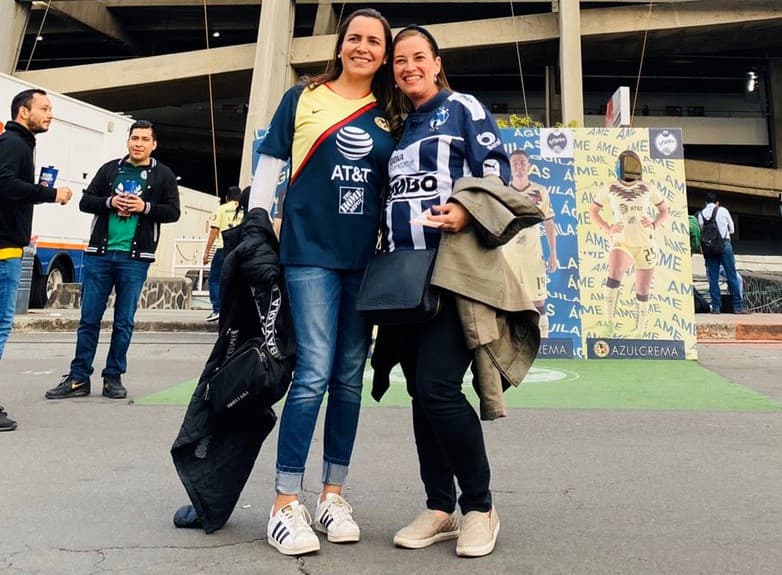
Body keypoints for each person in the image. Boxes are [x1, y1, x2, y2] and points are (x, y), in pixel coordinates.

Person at [247, 8, 395, 555]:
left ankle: (333, 494)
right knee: (311, 373)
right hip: (307, 254)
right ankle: (286, 501)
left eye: (373, 41)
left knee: (349, 379)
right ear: (340, 44)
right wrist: (256, 229)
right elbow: (268, 163)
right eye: (354, 37)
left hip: (368, 261)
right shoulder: (302, 97)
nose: (363, 47)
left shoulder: (392, 111)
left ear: (384, 52)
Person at [378, 24, 512, 558]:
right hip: (400, 282)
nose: (408, 66)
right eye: (400, 60)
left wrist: (464, 209)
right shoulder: (399, 126)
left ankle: (479, 507)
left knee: (437, 388)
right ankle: (439, 508)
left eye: (418, 57)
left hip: (452, 276)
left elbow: (498, 174)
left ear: (436, 62)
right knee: (419, 394)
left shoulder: (464, 108)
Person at [45, 120, 180, 401]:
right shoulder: (110, 169)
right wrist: (109, 202)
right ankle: (78, 377)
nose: (138, 143)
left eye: (144, 139)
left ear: (154, 144)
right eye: (134, 138)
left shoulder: (163, 175)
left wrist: (146, 207)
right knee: (89, 319)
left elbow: (173, 212)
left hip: (135, 258)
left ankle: (113, 377)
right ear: (128, 141)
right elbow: (85, 201)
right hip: (100, 255)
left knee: (123, 321)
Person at [0, 89, 73, 431]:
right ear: (22, 111)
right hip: (4, 253)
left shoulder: (17, 143)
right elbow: (5, 185)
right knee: (0, 328)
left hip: (8, 248)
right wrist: (50, 193)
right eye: (44, 108)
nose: (50, 114)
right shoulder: (14, 144)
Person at [588, 150, 669, 336]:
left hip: (645, 242)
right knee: (614, 272)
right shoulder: (610, 187)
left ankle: (640, 330)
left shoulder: (648, 187)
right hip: (622, 240)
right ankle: (609, 322)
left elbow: (664, 210)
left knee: (642, 288)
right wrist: (607, 228)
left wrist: (654, 224)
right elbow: (593, 211)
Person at [501, 149, 557, 338]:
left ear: (529, 166)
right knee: (508, 301)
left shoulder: (540, 191)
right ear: (510, 167)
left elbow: (549, 222)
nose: (519, 166)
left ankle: (544, 342)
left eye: (522, 162)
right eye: (515, 162)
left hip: (533, 255)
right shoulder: (503, 193)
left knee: (539, 301)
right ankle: (510, 344)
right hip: (508, 255)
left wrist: (553, 254)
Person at [697, 192, 749, 314]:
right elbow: (732, 229)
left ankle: (716, 307)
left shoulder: (701, 215)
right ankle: (737, 307)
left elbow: (702, 233)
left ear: (705, 203)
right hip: (725, 246)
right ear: (717, 202)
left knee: (713, 279)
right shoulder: (723, 211)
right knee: (732, 277)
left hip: (709, 249)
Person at [203, 185, 244, 322]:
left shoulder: (222, 209)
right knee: (235, 281)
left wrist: (207, 250)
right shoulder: (245, 209)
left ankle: (217, 309)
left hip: (223, 248)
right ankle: (234, 311)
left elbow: (215, 230)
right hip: (240, 250)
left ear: (227, 197)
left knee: (214, 279)